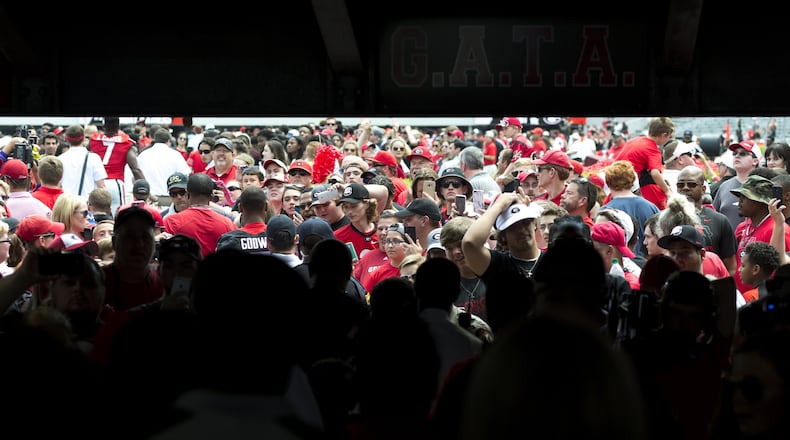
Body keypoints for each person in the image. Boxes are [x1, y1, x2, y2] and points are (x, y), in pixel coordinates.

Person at [163, 173, 236, 258]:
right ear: (212, 197)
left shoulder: (171, 222)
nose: (178, 197)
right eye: (173, 193)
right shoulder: (227, 224)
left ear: (188, 195)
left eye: (182, 192)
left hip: (184, 270)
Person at [615, 116, 675, 210]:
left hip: (614, 179)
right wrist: (667, 191)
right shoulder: (653, 150)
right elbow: (655, 174)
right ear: (664, 135)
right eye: (669, 136)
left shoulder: (634, 140)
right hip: (627, 186)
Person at [89, 116, 145, 215]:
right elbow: (135, 170)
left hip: (97, 182)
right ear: (118, 125)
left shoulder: (93, 140)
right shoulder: (127, 142)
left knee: (94, 215)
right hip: (115, 183)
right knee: (118, 216)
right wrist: (146, 188)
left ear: (104, 125)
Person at [58, 124, 107, 199]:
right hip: (86, 204)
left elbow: (57, 185)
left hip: (66, 204)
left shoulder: (59, 159)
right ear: (83, 137)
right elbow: (101, 186)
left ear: (67, 139)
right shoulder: (94, 158)